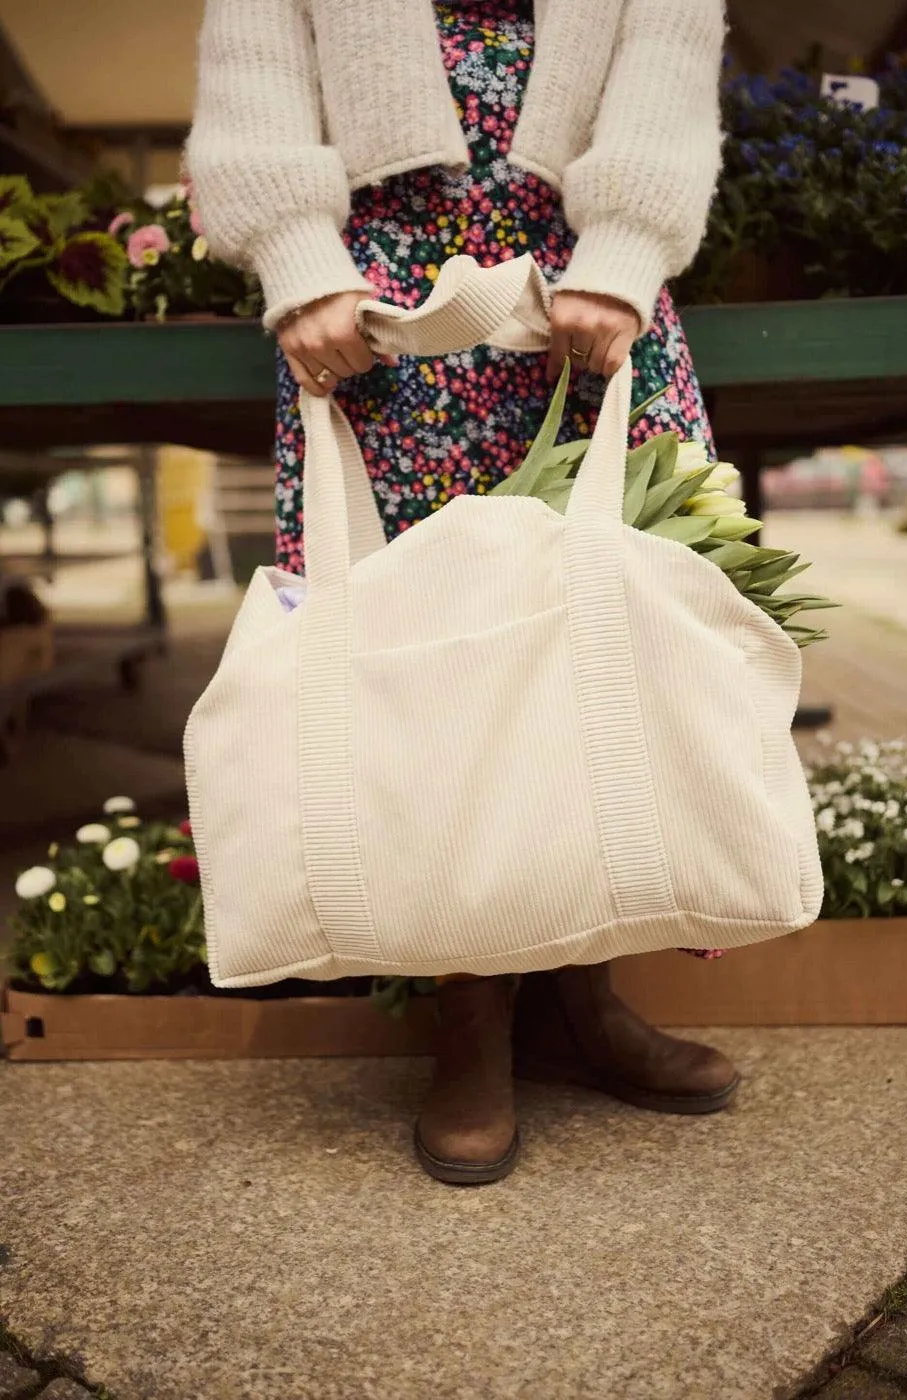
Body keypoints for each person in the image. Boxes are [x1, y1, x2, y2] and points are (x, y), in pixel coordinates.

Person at [188, 0, 739, 1186]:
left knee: (602, 644)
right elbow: (255, 68)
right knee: (422, 667)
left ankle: (585, 997)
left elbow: (667, 51)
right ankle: (470, 1015)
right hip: (378, 321)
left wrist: (625, 254)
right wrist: (298, 264)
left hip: (583, 300)